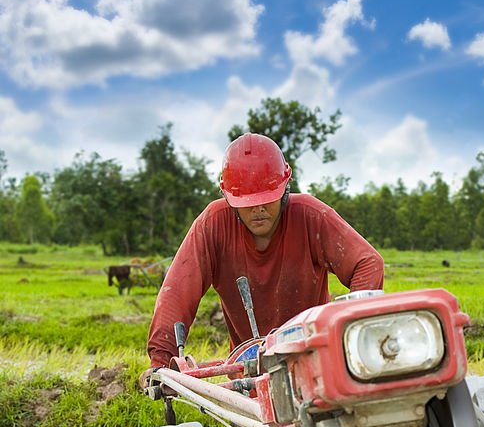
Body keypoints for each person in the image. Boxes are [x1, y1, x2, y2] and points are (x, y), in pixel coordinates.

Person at [145, 133, 384, 370]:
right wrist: (161, 361)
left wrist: (350, 333)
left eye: (267, 200)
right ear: (229, 199)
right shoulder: (214, 224)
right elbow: (177, 291)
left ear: (285, 188)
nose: (258, 209)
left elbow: (367, 262)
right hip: (248, 368)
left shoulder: (310, 216)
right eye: (248, 203)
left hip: (312, 359)